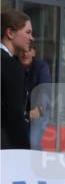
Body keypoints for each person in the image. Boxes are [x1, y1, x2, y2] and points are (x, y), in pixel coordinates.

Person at [1, 10, 31, 149]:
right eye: (28, 32)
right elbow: (14, 114)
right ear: (10, 33)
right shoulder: (10, 65)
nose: (32, 38)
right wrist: (24, 150)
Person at [19, 46, 51, 150]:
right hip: (19, 110)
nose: (25, 54)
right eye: (22, 51)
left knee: (33, 141)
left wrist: (39, 108)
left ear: (34, 52)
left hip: (38, 109)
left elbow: (44, 89)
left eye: (28, 51)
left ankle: (37, 164)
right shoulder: (13, 64)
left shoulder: (41, 67)